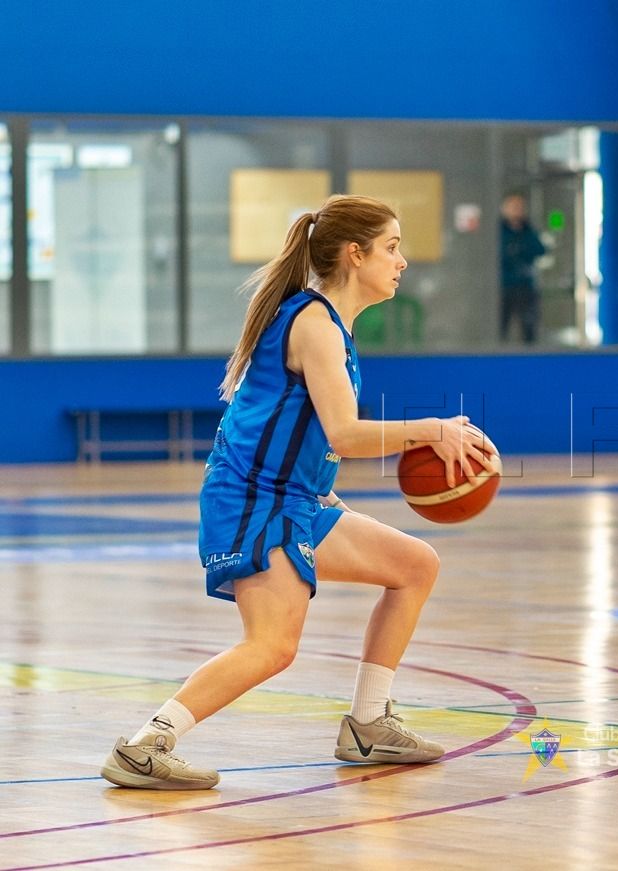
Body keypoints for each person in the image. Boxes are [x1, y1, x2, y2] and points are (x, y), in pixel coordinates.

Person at [100, 195, 496, 789]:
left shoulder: (330, 325)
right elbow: (343, 432)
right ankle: (145, 745)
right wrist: (431, 430)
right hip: (254, 500)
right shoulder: (313, 324)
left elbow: (298, 430)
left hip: (294, 498)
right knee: (272, 646)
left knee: (415, 564)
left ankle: (369, 723)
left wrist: (325, 493)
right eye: (391, 247)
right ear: (354, 254)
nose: (402, 261)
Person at [499, 192, 547, 344]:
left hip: (525, 286)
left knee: (529, 326)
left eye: (520, 207)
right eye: (513, 207)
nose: (516, 210)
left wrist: (521, 247)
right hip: (503, 286)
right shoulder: (498, 231)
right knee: (501, 326)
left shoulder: (528, 230)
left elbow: (540, 249)